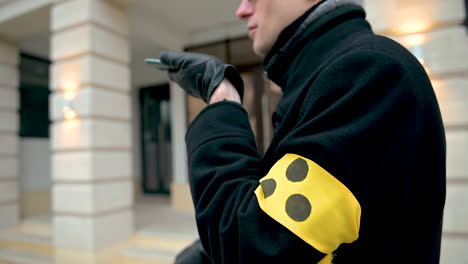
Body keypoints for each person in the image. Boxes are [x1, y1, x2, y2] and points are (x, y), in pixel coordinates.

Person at [160, 0, 446, 263]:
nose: (242, 9)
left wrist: (223, 100)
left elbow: (257, 246)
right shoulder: (330, 77)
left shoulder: (368, 72)